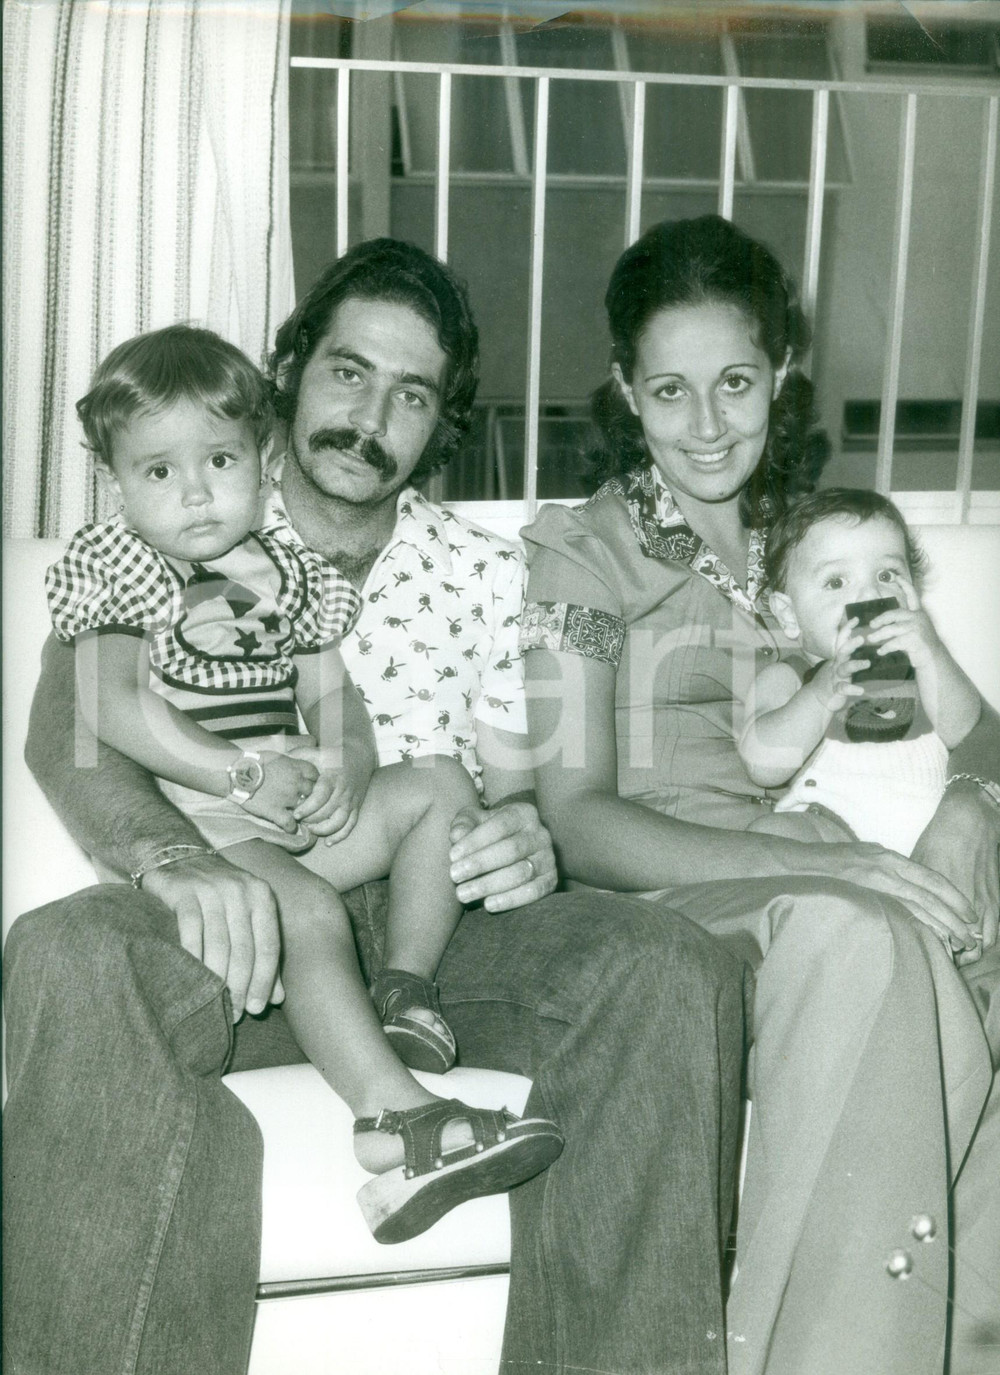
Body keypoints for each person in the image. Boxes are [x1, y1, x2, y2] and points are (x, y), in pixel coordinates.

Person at [6, 238, 746, 1375]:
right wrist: (170, 857)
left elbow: (521, 780)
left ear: (441, 420)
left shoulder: (489, 570)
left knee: (665, 964)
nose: (372, 414)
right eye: (348, 372)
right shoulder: (180, 504)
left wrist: (524, 838)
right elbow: (73, 728)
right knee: (66, 951)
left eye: (412, 393)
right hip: (232, 910)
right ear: (289, 374)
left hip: (436, 930)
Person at [520, 214, 1000, 1374]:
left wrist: (964, 810)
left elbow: (965, 724)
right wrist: (829, 866)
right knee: (858, 930)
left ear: (778, 376)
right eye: (670, 390)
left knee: (955, 928)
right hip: (668, 892)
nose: (706, 424)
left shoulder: (819, 545)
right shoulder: (574, 555)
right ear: (626, 394)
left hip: (827, 858)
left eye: (734, 382)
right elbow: (574, 813)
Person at [45, 322, 562, 1244]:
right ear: (117, 480)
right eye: (158, 471)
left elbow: (333, 692)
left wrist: (346, 763)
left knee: (442, 782)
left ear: (261, 452)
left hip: (293, 811)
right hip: (207, 821)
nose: (195, 492)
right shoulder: (124, 564)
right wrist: (238, 772)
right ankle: (395, 1120)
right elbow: (110, 708)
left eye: (219, 460)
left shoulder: (285, 567)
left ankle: (404, 991)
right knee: (312, 917)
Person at [739, 487, 981, 867]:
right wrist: (821, 693)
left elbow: (967, 729)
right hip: (833, 829)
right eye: (836, 582)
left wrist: (932, 653)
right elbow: (762, 766)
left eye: (887, 574)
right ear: (789, 615)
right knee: (769, 837)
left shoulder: (923, 667)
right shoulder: (791, 676)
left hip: (934, 835)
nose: (869, 593)